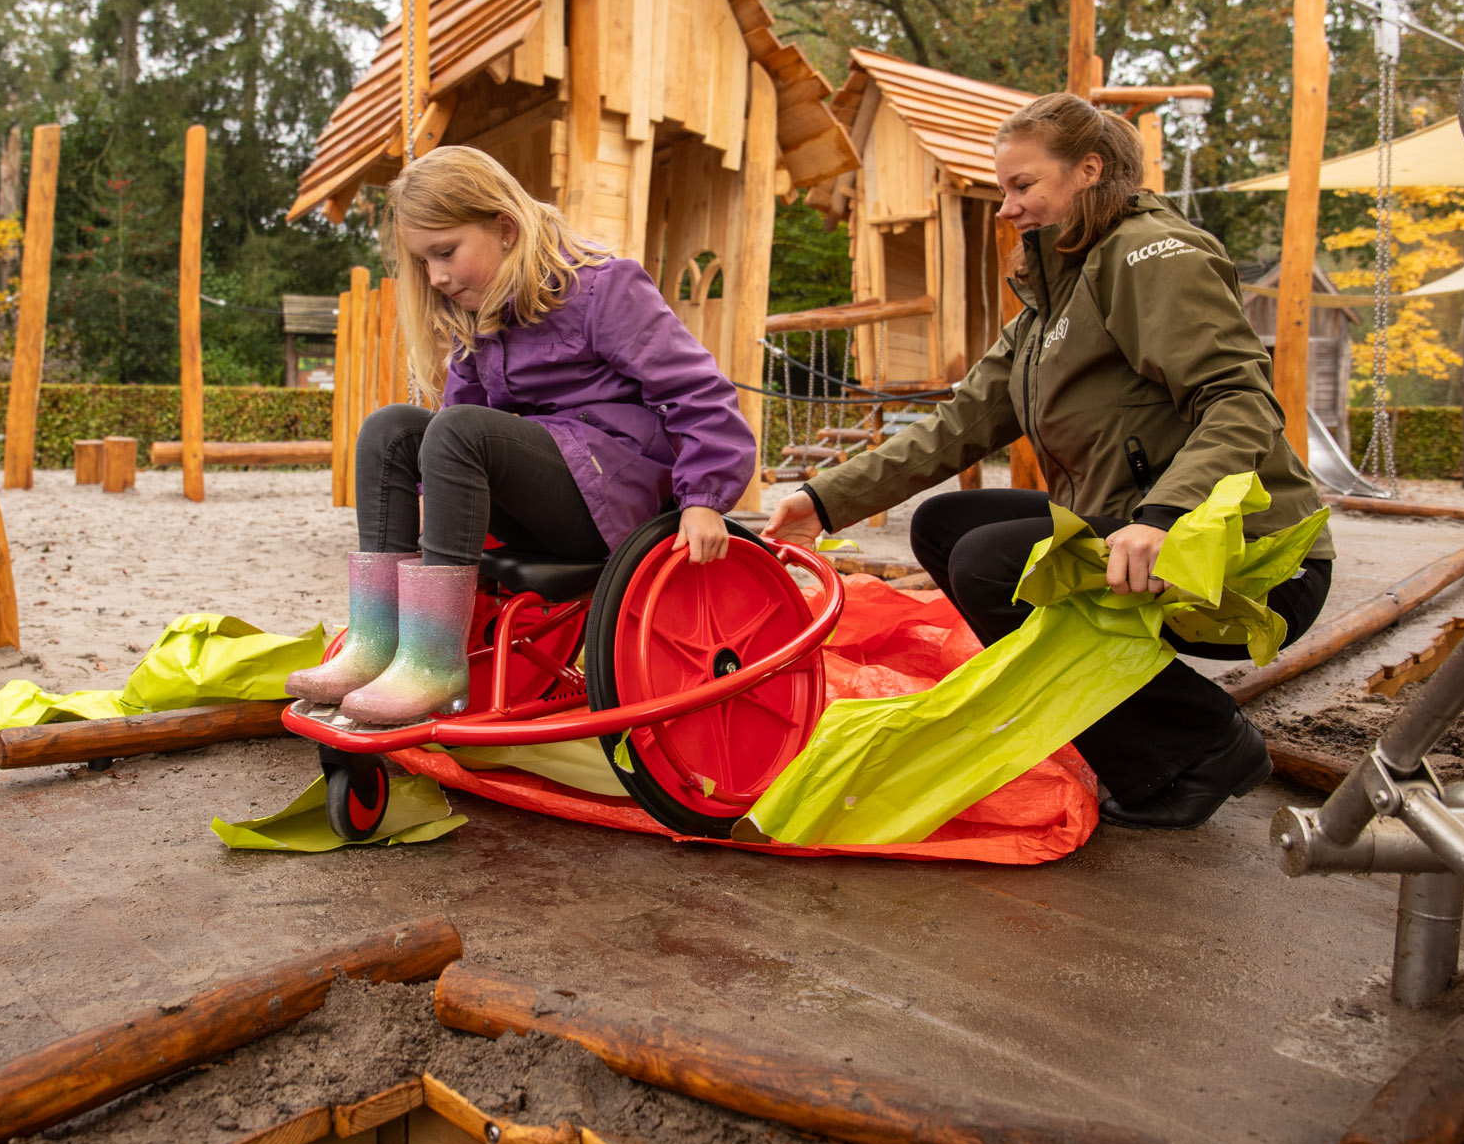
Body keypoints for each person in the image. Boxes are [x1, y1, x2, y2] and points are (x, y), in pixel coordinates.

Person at [762, 93, 1335, 830]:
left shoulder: (1151, 256)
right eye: (1005, 188)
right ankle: (1140, 726)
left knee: (995, 562)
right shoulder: (1052, 294)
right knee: (943, 526)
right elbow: (960, 422)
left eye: (1021, 186)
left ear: (1087, 171)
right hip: (1143, 530)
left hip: (1249, 555)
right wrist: (823, 497)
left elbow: (1240, 400)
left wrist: (1167, 516)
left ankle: (1199, 746)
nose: (1006, 207)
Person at [290, 145, 756, 726]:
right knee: (391, 429)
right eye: (423, 262)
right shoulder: (480, 317)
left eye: (445, 252)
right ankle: (378, 641)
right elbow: (452, 426)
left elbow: (697, 389)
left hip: (610, 498)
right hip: (537, 493)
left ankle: (434, 663)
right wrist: (432, 502)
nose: (435, 276)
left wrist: (704, 500)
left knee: (458, 430)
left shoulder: (604, 289)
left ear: (505, 228)